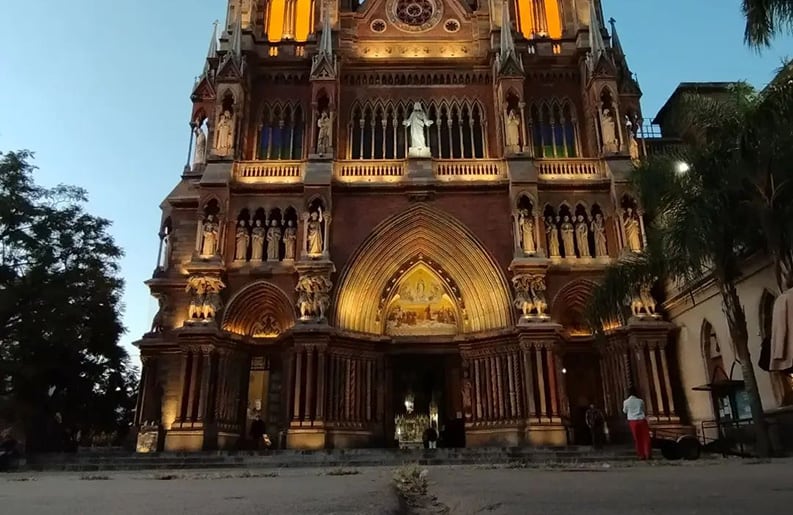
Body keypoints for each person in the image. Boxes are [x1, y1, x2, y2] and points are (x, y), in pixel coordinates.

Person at [623, 387, 651, 460]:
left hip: (633, 421)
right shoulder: (640, 401)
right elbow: (643, 410)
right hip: (642, 420)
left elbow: (624, 411)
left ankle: (641, 455)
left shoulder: (626, 402)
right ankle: (647, 453)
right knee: (645, 438)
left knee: (637, 439)